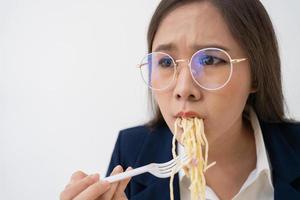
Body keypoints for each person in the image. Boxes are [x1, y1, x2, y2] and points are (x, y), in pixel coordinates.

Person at [60, 0, 300, 199]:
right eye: (166, 62)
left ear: (256, 74)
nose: (184, 89)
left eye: (209, 60)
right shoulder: (133, 151)